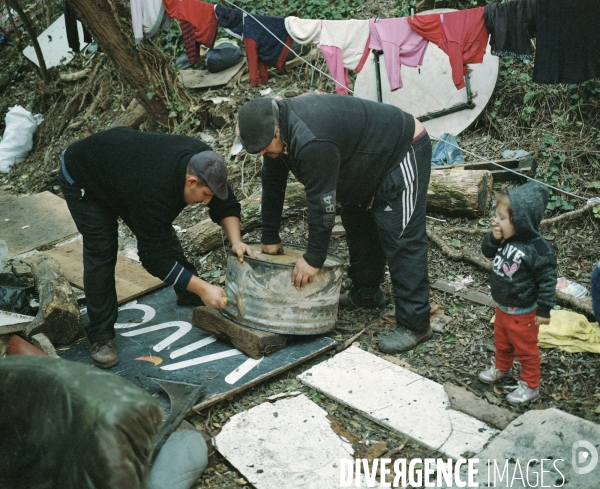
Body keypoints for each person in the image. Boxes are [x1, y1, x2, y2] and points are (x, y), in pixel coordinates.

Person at [236, 95, 432, 353]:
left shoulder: (310, 140)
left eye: (264, 147)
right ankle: (367, 293)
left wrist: (313, 258)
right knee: (357, 221)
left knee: (401, 234)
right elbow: (272, 183)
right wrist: (269, 235)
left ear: (277, 129)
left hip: (400, 150)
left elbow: (322, 203)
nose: (263, 153)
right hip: (361, 159)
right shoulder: (278, 133)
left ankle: (416, 323)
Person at [58, 127, 256, 368]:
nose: (207, 202)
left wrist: (237, 241)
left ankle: (188, 290)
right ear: (191, 181)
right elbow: (154, 259)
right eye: (204, 195)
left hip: (125, 173)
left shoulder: (205, 163)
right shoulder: (152, 191)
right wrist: (204, 288)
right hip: (85, 175)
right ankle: (100, 336)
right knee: (102, 249)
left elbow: (226, 203)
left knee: (157, 229)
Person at [479, 183, 557, 405]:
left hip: (523, 314)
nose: (496, 221)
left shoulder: (539, 250)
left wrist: (544, 309)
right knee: (502, 343)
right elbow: (486, 252)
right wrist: (494, 238)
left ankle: (531, 385)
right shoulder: (505, 238)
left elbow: (548, 281)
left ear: (521, 220)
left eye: (502, 218)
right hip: (502, 308)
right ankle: (502, 369)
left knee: (526, 350)